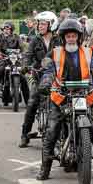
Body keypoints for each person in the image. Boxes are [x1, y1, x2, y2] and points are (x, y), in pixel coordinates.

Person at [37, 18, 93, 181]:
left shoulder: (87, 52)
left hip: (84, 97)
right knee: (51, 132)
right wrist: (45, 82)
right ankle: (45, 169)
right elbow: (48, 70)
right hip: (61, 97)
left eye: (74, 36)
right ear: (63, 37)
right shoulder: (55, 53)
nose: (71, 39)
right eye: (68, 36)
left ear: (79, 37)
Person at [20, 11, 60, 147]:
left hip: (57, 78)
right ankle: (25, 134)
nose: (40, 26)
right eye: (39, 24)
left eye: (43, 24)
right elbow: (28, 54)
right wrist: (25, 66)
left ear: (52, 25)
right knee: (32, 104)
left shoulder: (59, 40)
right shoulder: (35, 40)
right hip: (39, 76)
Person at [0, 21, 25, 108]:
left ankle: (28, 101)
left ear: (11, 29)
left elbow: (22, 47)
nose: (6, 30)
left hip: (16, 60)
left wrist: (23, 54)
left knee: (23, 77)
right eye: (5, 28)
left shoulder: (16, 37)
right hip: (4, 59)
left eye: (8, 28)